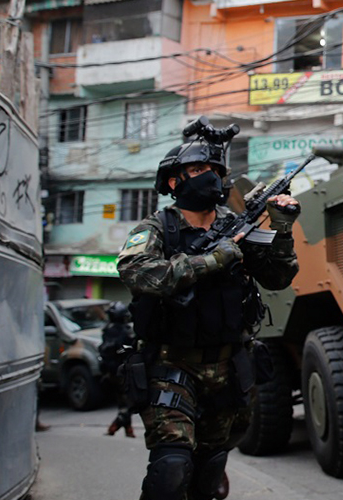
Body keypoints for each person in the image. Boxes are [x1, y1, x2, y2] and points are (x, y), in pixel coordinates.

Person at [118, 133, 300, 500]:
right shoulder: (158, 228)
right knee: (171, 468)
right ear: (174, 181)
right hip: (171, 366)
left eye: (214, 170)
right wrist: (213, 260)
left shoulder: (238, 226)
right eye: (198, 169)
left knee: (209, 470)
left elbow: (278, 278)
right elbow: (137, 272)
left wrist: (282, 228)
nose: (209, 177)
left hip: (228, 366)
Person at [100, 301, 138, 437]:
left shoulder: (107, 331)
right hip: (122, 371)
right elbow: (124, 351)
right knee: (130, 402)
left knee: (123, 400)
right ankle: (115, 425)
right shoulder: (124, 332)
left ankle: (129, 429)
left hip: (111, 372)